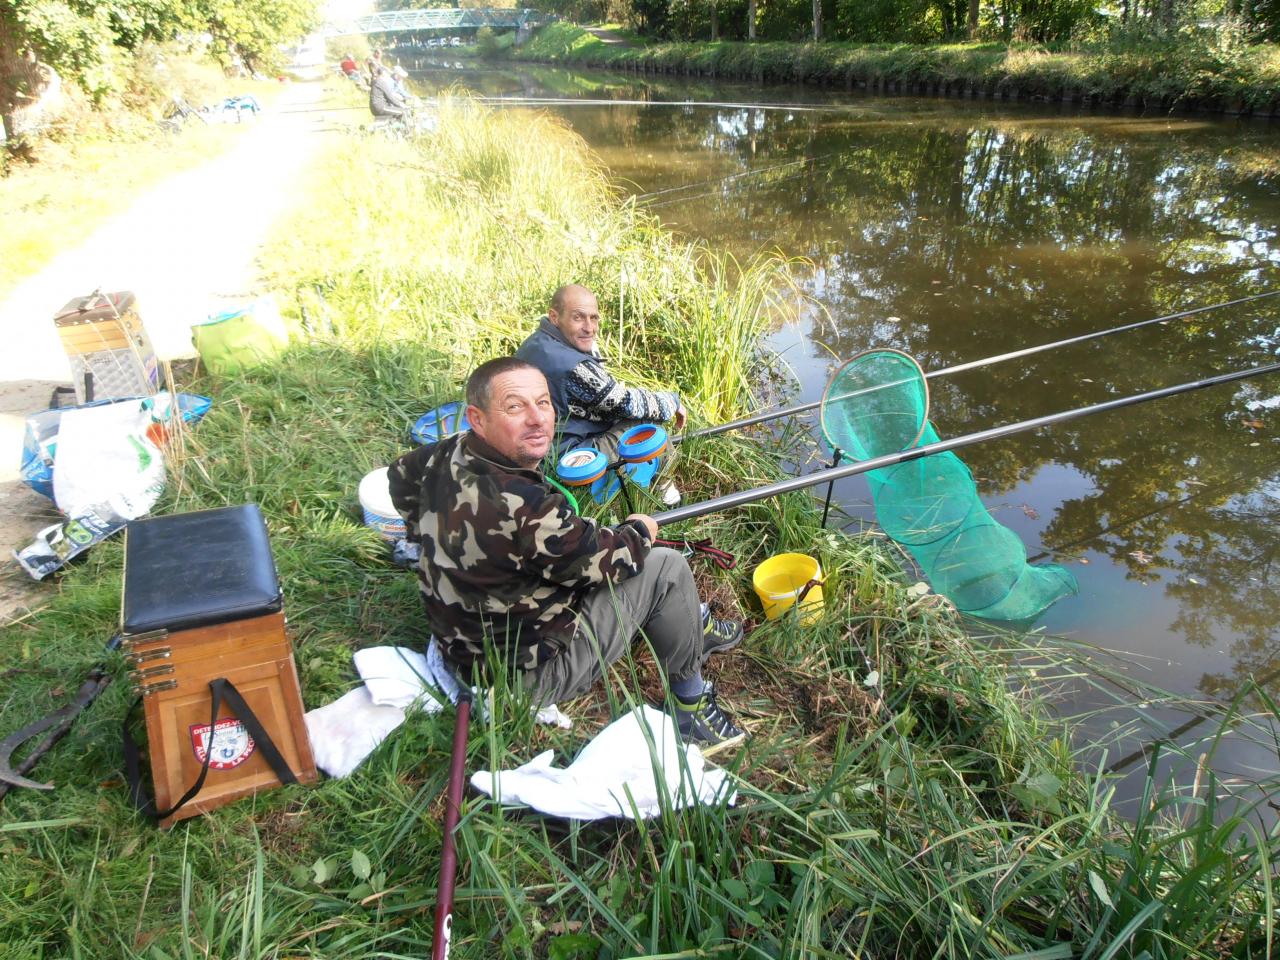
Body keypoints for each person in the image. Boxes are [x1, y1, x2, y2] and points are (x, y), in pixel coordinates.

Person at [388, 357, 746, 748]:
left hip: (462, 648)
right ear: (477, 418)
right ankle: (691, 707)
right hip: (521, 679)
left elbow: (398, 479)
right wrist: (640, 530)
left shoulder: (441, 454)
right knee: (667, 568)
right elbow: (610, 559)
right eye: (514, 407)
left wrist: (443, 542)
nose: (537, 419)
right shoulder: (527, 509)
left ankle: (693, 629)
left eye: (543, 403)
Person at [515, 284, 687, 505]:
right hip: (562, 459)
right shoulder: (572, 366)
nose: (590, 327)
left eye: (594, 318)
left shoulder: (538, 342)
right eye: (579, 318)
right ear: (555, 316)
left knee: (635, 414)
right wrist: (673, 401)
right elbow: (625, 403)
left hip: (539, 447)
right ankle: (667, 494)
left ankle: (653, 482)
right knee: (648, 423)